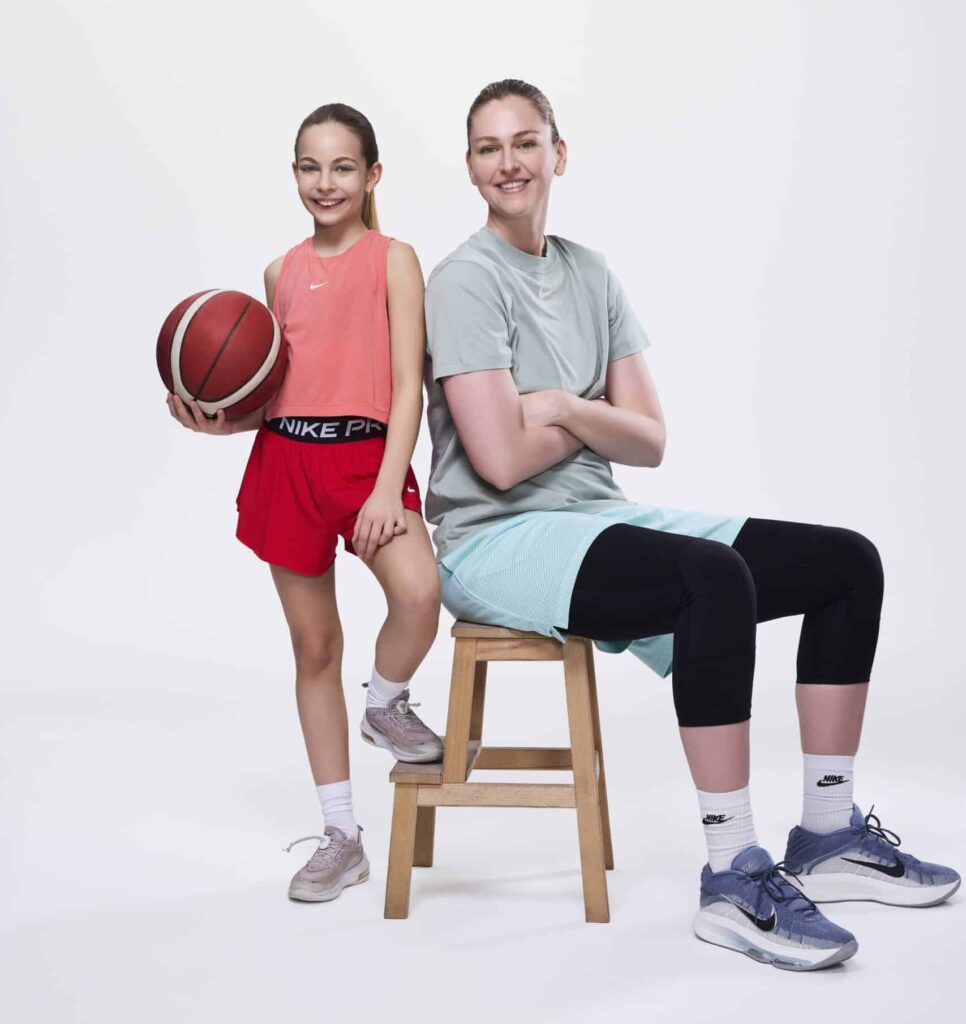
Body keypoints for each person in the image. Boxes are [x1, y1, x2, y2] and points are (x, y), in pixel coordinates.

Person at [423, 79, 959, 970]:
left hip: (595, 517)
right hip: (495, 542)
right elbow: (498, 462)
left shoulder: (590, 272)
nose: (508, 162)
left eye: (525, 142)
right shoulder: (465, 281)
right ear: (472, 166)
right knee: (712, 577)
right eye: (488, 147)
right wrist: (591, 414)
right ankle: (730, 874)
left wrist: (554, 403)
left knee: (847, 564)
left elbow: (651, 441)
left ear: (559, 153)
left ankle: (826, 835)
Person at [168, 102, 443, 904]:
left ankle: (386, 705)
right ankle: (341, 837)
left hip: (367, 463)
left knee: (421, 594)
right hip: (286, 461)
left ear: (372, 176)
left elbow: (404, 387)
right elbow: (276, 392)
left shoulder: (395, 259)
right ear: (294, 173)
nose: (325, 182)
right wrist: (217, 420)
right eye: (310, 167)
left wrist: (391, 484)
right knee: (315, 650)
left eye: (343, 167)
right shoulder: (277, 272)